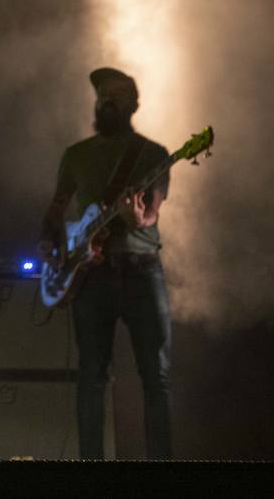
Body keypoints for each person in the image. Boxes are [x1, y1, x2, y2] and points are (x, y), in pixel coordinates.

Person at [38, 67, 172, 460]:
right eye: (101, 94)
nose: (106, 99)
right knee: (92, 377)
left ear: (134, 104)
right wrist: (50, 243)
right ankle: (91, 474)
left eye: (115, 93)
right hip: (90, 275)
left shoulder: (153, 154)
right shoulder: (76, 155)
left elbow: (150, 215)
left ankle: (163, 472)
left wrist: (136, 218)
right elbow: (56, 209)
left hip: (142, 269)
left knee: (156, 376)